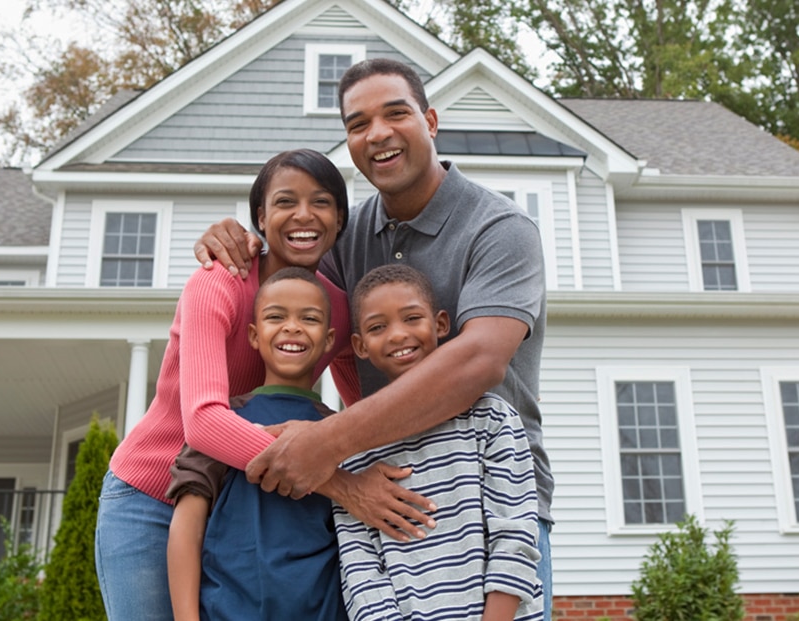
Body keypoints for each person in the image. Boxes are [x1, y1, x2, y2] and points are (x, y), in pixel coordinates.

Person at [195, 58, 554, 617]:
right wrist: (241, 238)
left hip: (487, 510)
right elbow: (291, 290)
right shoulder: (347, 237)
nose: (378, 133)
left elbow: (478, 361)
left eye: (396, 113)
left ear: (430, 121)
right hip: (378, 500)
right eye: (358, 123)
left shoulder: (500, 229)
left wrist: (328, 441)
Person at [96, 148, 436, 621]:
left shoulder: (335, 307)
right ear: (259, 216)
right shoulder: (218, 283)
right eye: (284, 202)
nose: (303, 215)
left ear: (340, 219)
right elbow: (203, 425)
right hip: (149, 499)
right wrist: (337, 480)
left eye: (320, 202)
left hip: (243, 505)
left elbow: (368, 408)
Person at [337, 264, 542, 621]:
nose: (398, 335)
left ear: (441, 324)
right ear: (360, 345)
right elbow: (361, 574)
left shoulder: (491, 420)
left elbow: (514, 537)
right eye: (377, 327)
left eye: (412, 318)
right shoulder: (354, 452)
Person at [167, 268, 350, 621]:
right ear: (254, 335)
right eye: (276, 316)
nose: (292, 327)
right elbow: (186, 527)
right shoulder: (224, 420)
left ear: (329, 340)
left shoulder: (340, 432)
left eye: (308, 318)